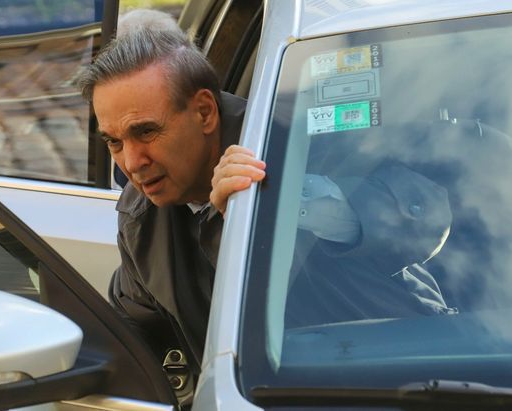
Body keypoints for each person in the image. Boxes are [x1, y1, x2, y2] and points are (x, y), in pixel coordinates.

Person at [77, 26, 453, 378]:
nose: (131, 162)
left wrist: (277, 203)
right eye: (114, 142)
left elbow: (423, 222)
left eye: (146, 131)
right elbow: (134, 338)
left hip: (405, 380)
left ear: (204, 112)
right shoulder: (140, 215)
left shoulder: (301, 139)